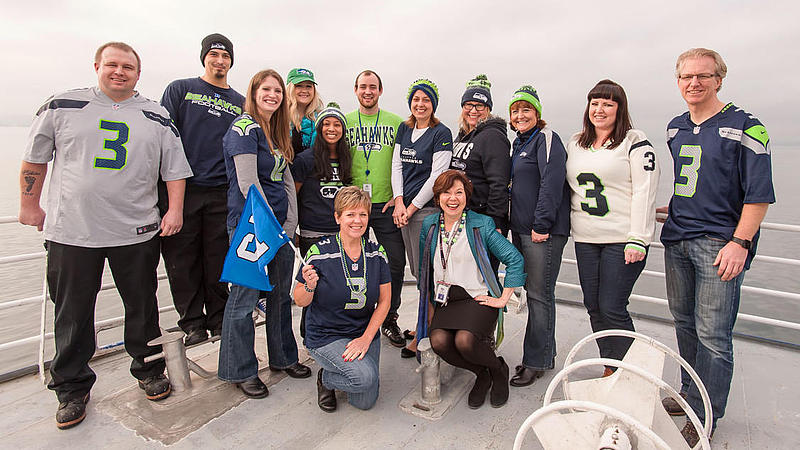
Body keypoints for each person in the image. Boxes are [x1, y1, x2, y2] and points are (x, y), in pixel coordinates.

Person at [18, 42, 193, 429]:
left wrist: (174, 210)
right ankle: (71, 386)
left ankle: (148, 370)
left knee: (142, 307)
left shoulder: (156, 114)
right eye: (112, 64)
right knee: (72, 313)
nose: (119, 71)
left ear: (138, 72)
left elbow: (174, 170)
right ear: (97, 66)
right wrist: (30, 204)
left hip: (136, 230)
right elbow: (35, 158)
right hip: (72, 231)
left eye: (128, 66)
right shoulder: (62, 105)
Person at [659, 48, 774, 446]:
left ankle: (706, 413)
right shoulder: (675, 127)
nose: (694, 83)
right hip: (677, 239)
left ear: (719, 79)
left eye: (703, 76)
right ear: (678, 81)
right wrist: (674, 206)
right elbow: (695, 179)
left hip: (719, 244)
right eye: (686, 77)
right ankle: (691, 394)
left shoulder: (747, 126)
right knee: (684, 323)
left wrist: (740, 242)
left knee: (713, 334)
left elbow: (757, 196)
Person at [219, 69, 310, 399]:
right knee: (244, 300)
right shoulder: (244, 128)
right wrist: (269, 226)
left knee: (280, 296)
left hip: (279, 228)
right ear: (254, 92)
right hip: (251, 227)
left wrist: (289, 225)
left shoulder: (278, 131)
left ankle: (283, 357)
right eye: (265, 89)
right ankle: (239, 369)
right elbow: (248, 184)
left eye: (277, 90)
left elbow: (285, 181)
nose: (272, 95)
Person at [565, 79, 659, 377]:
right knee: (593, 306)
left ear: (620, 108)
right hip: (586, 238)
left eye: (608, 103)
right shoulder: (575, 142)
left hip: (622, 239)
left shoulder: (634, 142)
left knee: (613, 307)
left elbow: (645, 191)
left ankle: (630, 371)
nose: (600, 109)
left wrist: (639, 238)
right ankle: (611, 367)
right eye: (594, 103)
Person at [159, 33, 245, 346]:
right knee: (182, 261)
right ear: (204, 58)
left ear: (231, 61)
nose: (220, 61)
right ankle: (192, 323)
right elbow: (163, 137)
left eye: (225, 56)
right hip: (183, 189)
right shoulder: (181, 89)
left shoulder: (240, 102)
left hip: (223, 190)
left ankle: (219, 318)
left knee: (218, 258)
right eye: (214, 55)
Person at [417, 170, 525, 409]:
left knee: (465, 341)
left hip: (477, 298)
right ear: (437, 198)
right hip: (446, 300)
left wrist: (503, 298)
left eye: (459, 192)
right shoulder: (429, 225)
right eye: (446, 192)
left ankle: (498, 369)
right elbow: (425, 270)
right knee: (439, 341)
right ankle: (481, 374)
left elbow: (515, 259)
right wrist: (429, 307)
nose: (453, 198)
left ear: (466, 196)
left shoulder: (481, 224)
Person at [294, 186, 391, 412]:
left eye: (362, 215)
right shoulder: (319, 252)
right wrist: (309, 286)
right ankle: (326, 379)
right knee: (365, 378)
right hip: (328, 335)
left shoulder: (376, 252)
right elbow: (300, 301)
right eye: (350, 214)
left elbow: (385, 300)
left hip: (362, 331)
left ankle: (347, 370)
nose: (357, 221)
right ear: (337, 217)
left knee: (365, 401)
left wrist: (366, 339)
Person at [506, 86, 570, 387]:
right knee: (537, 294)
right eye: (515, 111)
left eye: (526, 110)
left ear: (537, 114)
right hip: (521, 230)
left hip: (541, 232)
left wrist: (542, 225)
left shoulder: (547, 140)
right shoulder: (518, 143)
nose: (520, 115)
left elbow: (551, 184)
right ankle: (546, 353)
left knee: (539, 295)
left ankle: (535, 362)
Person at [391, 78, 453, 358]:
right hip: (404, 211)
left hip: (425, 213)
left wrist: (412, 207)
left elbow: (437, 177)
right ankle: (423, 324)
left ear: (433, 104)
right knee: (417, 272)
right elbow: (397, 167)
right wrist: (399, 201)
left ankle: (425, 332)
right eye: (416, 99)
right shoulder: (404, 130)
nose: (420, 104)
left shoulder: (442, 133)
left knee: (426, 275)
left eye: (426, 100)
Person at [345, 70, 407, 349]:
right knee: (349, 262)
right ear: (355, 90)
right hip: (354, 205)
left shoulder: (396, 123)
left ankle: (389, 318)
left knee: (394, 262)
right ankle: (352, 317)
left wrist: (402, 196)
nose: (367, 91)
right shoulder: (343, 122)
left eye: (373, 87)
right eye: (363, 87)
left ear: (380, 90)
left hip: (386, 204)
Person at [449, 74, 511, 252]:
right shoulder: (462, 136)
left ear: (488, 109)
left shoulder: (493, 136)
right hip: (462, 216)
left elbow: (499, 182)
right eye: (469, 105)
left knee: (483, 276)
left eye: (480, 106)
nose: (473, 110)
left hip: (484, 219)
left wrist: (496, 221)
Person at [292, 102, 352, 256]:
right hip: (312, 234)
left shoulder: (347, 159)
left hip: (342, 232)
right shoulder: (305, 160)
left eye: (337, 125)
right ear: (319, 129)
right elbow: (292, 197)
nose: (331, 129)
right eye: (326, 124)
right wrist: (292, 231)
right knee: (314, 279)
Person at [287, 67, 323, 156]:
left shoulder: (320, 119)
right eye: (299, 86)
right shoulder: (279, 117)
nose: (304, 91)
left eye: (308, 86)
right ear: (290, 88)